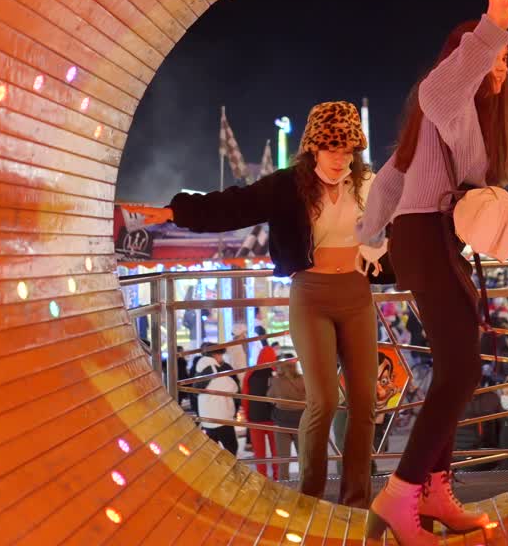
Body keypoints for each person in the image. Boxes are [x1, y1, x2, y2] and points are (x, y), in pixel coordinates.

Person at [125, 100, 385, 508]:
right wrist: (174, 211)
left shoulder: (368, 183)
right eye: (332, 148)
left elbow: (411, 209)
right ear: (313, 147)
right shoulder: (288, 185)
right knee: (323, 400)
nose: (340, 158)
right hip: (311, 295)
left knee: (365, 402)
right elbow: (235, 205)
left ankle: (356, 501)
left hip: (356, 295)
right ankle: (311, 500)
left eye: (348, 149)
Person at [358, 0, 508, 544]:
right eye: (491, 61)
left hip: (426, 239)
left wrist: (368, 239)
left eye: (504, 62)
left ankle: (433, 488)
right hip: (426, 237)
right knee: (460, 368)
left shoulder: (445, 127)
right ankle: (402, 495)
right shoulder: (445, 102)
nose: (499, 69)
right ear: (467, 61)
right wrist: (488, 32)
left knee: (460, 363)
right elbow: (437, 90)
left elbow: (387, 180)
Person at [193, 344, 240, 455]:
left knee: (212, 452)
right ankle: (230, 472)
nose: (222, 358)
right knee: (231, 448)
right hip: (221, 418)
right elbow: (233, 387)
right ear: (215, 354)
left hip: (207, 418)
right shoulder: (214, 370)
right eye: (221, 355)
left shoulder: (199, 369)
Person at [244, 345, 280, 478]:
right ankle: (278, 477)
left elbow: (245, 396)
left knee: (259, 453)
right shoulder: (277, 372)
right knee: (277, 451)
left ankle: (262, 477)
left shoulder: (250, 373)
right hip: (273, 419)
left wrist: (247, 415)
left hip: (255, 418)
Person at [269, 356, 306, 479]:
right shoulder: (303, 379)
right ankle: (304, 486)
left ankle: (284, 485)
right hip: (300, 420)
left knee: (283, 459)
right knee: (303, 457)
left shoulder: (276, 381)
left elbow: (270, 397)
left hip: (282, 421)